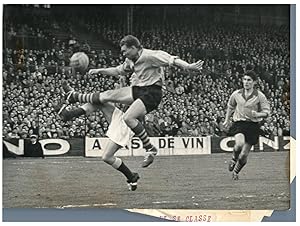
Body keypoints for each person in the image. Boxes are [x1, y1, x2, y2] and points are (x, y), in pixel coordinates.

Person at [60, 35, 204, 167]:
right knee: (106, 95)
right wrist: (99, 70)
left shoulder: (150, 55)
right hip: (139, 89)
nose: (123, 54)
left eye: (125, 51)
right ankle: (75, 96)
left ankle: (150, 149)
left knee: (128, 117)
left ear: (134, 48)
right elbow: (118, 70)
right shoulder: (130, 60)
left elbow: (172, 59)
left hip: (152, 92)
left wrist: (188, 66)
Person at [60, 102, 140, 191]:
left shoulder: (144, 95)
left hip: (125, 125)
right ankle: (70, 114)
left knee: (107, 157)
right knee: (99, 102)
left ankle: (131, 176)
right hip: (121, 118)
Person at [223, 71, 270, 180]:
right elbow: (230, 106)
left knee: (244, 155)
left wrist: (258, 114)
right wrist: (226, 120)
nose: (246, 82)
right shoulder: (236, 94)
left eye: (249, 80)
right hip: (239, 123)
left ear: (254, 82)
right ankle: (234, 159)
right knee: (239, 143)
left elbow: (267, 112)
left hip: (253, 126)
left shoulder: (260, 96)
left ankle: (236, 171)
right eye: (244, 79)